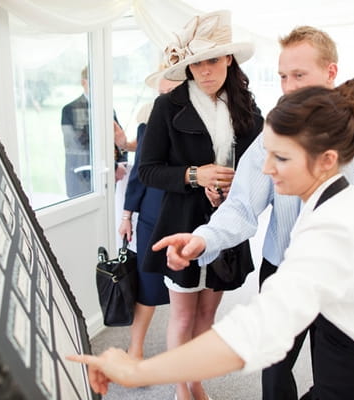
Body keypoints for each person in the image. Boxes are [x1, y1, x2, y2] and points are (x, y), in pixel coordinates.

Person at [68, 80, 354, 400]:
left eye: (281, 157)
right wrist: (203, 238)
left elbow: (259, 330)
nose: (266, 168)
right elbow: (242, 205)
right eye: (266, 153)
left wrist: (138, 371)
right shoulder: (345, 202)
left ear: (327, 160)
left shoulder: (336, 226)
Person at [144, 25, 354, 400]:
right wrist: (202, 238)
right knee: (274, 368)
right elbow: (242, 205)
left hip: (345, 276)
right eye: (283, 77)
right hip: (285, 271)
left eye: (299, 75)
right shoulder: (271, 135)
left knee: (337, 377)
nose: (289, 87)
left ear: (331, 73)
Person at [137, 10, 263, 400]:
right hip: (182, 222)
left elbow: (257, 166)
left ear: (228, 59)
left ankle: (196, 379)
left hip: (228, 223)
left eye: (212, 60)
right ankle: (182, 387)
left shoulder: (247, 108)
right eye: (196, 64)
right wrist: (196, 176)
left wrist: (228, 188)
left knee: (208, 315)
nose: (204, 71)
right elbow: (148, 171)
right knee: (183, 314)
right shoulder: (167, 107)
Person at [117, 68, 181, 360]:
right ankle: (135, 350)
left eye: (171, 93)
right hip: (153, 217)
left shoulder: (200, 126)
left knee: (186, 294)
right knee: (147, 285)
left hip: (186, 217)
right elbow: (138, 175)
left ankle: (182, 361)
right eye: (161, 94)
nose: (164, 100)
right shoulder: (147, 126)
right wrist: (127, 215)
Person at [61, 66, 133, 197]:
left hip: (107, 177)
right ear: (84, 82)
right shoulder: (70, 110)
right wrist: (115, 166)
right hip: (82, 179)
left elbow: (118, 138)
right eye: (96, 81)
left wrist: (122, 163)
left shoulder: (108, 109)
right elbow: (80, 147)